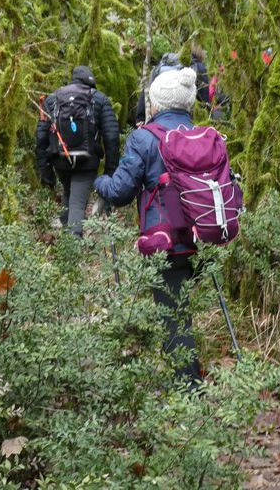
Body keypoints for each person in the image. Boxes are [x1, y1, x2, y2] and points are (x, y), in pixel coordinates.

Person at [95, 68, 202, 389]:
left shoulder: (144, 138)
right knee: (180, 310)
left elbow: (121, 191)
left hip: (166, 239)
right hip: (204, 234)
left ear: (156, 103)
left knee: (172, 316)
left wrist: (100, 182)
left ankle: (188, 393)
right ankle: (188, 375)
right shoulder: (200, 134)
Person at [36, 66, 119, 237]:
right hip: (87, 162)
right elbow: (111, 136)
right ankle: (73, 246)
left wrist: (45, 169)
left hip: (60, 159)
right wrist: (110, 169)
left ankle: (67, 241)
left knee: (69, 192)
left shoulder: (52, 99)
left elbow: (41, 137)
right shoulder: (99, 99)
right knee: (77, 202)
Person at [135, 45, 209, 125]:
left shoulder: (162, 65)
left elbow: (146, 91)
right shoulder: (198, 67)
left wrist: (140, 118)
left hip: (159, 117)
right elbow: (204, 100)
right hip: (184, 119)